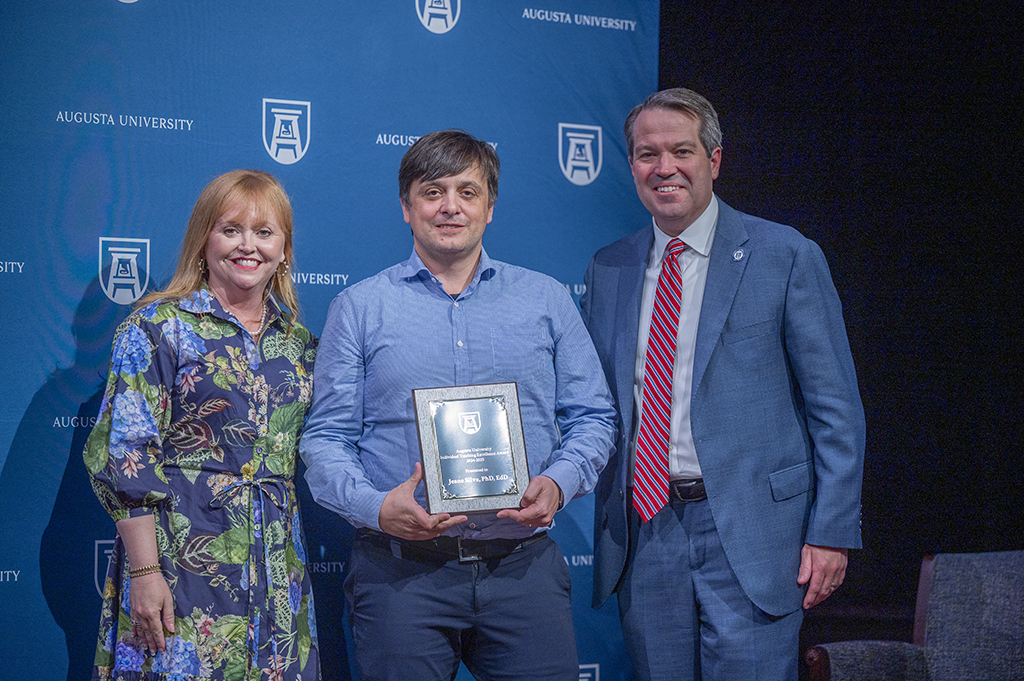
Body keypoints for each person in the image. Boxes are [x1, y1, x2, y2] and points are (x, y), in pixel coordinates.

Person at [300, 129, 617, 681]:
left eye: (467, 192)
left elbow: (593, 416)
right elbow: (325, 439)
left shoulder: (546, 300)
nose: (450, 207)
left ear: (490, 207)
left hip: (523, 572)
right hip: (399, 577)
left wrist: (560, 483)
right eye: (433, 191)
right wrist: (377, 508)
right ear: (406, 206)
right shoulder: (359, 308)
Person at [581, 88, 865, 680]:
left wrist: (832, 531)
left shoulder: (784, 254)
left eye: (681, 151)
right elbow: (597, 405)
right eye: (646, 154)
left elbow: (835, 408)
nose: (664, 168)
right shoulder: (609, 267)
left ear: (713, 160)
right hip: (646, 528)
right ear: (631, 166)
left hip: (754, 532)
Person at [84, 170, 320, 681]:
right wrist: (146, 573)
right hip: (180, 559)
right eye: (230, 229)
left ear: (284, 249)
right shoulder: (156, 328)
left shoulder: (300, 345)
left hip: (277, 564)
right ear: (203, 240)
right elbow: (125, 455)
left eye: (264, 232)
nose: (248, 246)